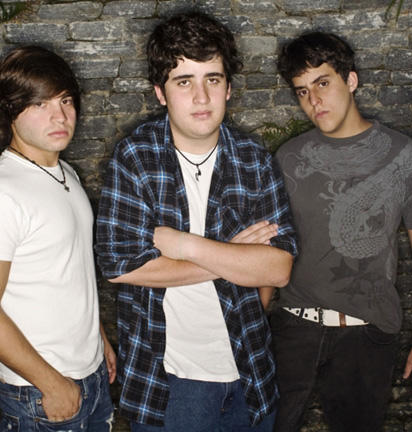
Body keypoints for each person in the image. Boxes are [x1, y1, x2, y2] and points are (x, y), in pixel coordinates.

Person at [95, 11, 298, 432]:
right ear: (161, 93)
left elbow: (278, 269)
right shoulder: (135, 158)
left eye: (213, 79)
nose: (202, 97)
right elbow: (121, 265)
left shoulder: (254, 160)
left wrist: (185, 245)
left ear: (229, 88)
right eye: (184, 82)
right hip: (169, 385)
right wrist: (236, 257)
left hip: (250, 374)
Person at [270, 32, 412, 431]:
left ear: (351, 80)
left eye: (323, 83)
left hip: (366, 332)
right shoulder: (289, 158)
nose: (314, 101)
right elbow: (270, 245)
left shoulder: (402, 155)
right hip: (293, 326)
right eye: (302, 91)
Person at [0, 45, 116, 431]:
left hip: (90, 373)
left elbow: (69, 275)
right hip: (40, 391)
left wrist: (98, 340)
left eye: (65, 101)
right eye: (40, 104)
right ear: (10, 110)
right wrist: (51, 383)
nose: (59, 117)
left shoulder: (64, 173)